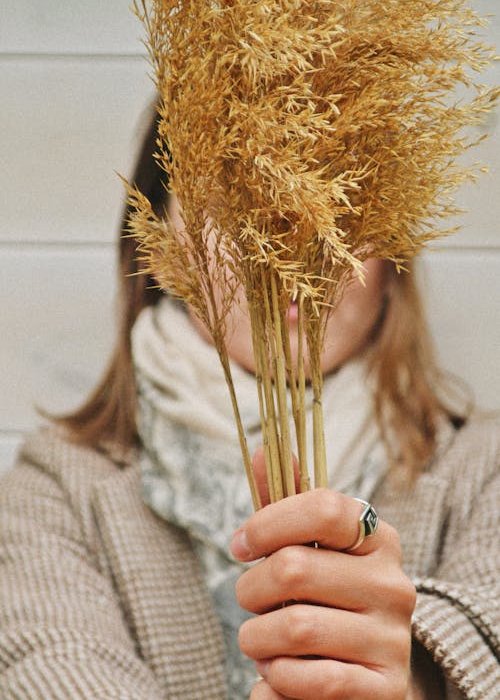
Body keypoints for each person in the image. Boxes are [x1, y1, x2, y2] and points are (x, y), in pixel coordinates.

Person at [0, 108, 498, 700]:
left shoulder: (485, 470)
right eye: (238, 198)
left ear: (393, 258)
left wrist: (419, 680)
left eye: (340, 196)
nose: (288, 245)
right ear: (160, 247)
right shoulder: (55, 489)